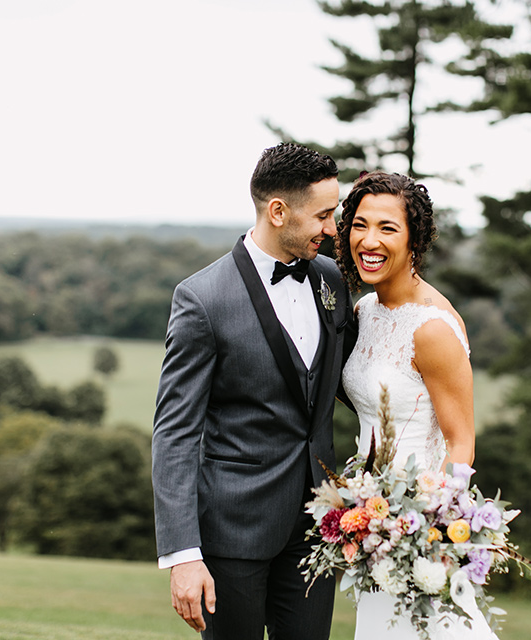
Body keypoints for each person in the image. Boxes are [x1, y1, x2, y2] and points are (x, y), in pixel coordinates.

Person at [151, 143, 354, 640]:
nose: (333, 230)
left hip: (316, 528)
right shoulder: (202, 299)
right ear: (278, 211)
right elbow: (174, 433)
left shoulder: (330, 279)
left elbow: (354, 381)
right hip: (232, 532)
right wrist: (183, 555)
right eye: (324, 215)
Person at [336, 171, 479, 639]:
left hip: (415, 534)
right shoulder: (365, 311)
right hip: (371, 524)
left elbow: (461, 443)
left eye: (387, 228)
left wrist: (434, 530)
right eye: (359, 225)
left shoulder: (433, 328)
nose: (369, 240)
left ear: (415, 238)